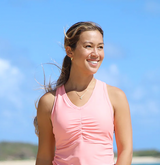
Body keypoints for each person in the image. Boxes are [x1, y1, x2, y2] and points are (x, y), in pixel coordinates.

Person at [34, 21, 133, 165]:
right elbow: (44, 157)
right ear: (69, 51)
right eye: (88, 46)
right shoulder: (49, 101)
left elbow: (126, 151)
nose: (96, 53)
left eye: (100, 47)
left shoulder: (116, 97)